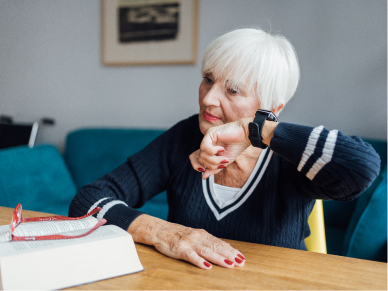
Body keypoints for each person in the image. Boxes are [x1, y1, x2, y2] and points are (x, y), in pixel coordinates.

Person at [69, 28, 380, 270]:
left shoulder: (289, 157)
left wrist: (255, 131)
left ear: (272, 108)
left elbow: (361, 168)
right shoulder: (184, 137)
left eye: (232, 90)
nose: (208, 98)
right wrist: (164, 232)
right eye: (208, 79)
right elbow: (87, 200)